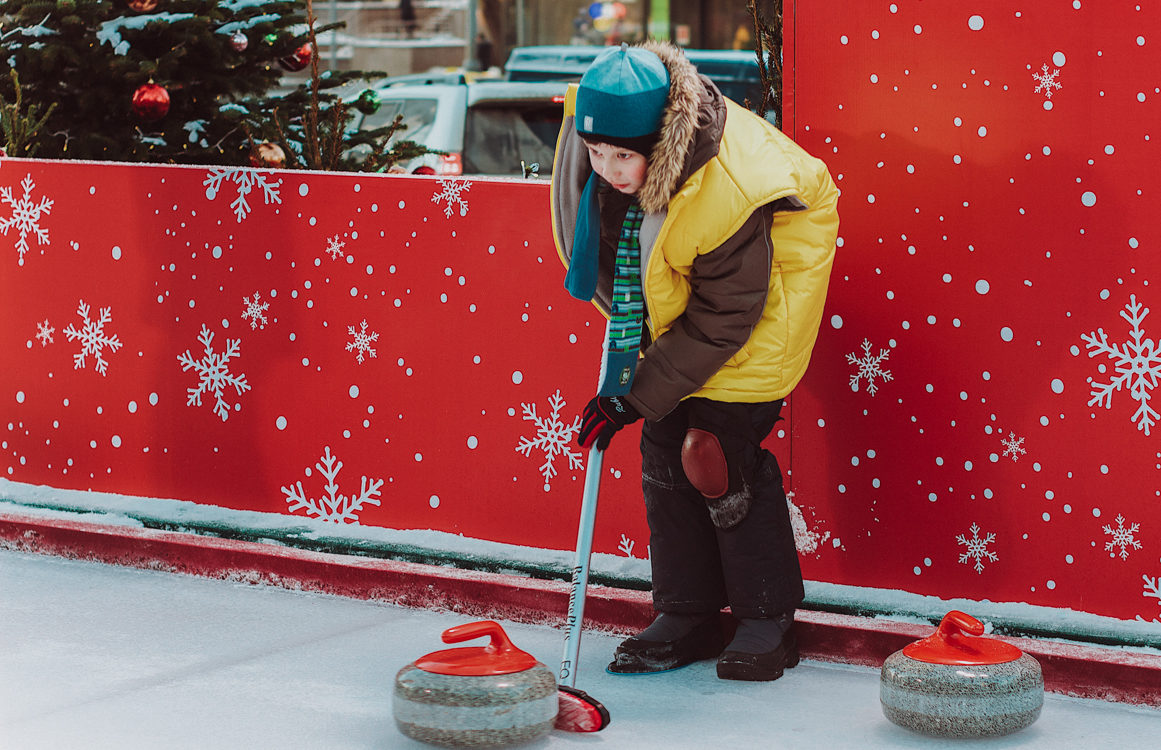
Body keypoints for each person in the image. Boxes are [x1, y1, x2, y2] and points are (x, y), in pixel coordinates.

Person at [549, 41, 839, 682]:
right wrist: (633, 376)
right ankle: (688, 614)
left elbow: (726, 314)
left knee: (712, 453)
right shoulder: (614, 157)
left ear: (659, 141)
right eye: (596, 153)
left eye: (622, 156)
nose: (607, 169)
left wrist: (634, 393)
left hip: (763, 302)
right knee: (663, 450)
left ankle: (767, 620)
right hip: (697, 298)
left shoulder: (724, 190)